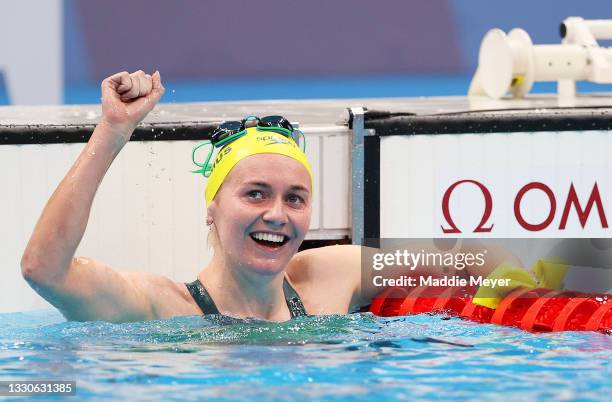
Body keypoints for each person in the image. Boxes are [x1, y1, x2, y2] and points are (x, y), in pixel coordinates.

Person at [21, 71, 517, 323]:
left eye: (295, 199)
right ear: (212, 208)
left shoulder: (333, 276)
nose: (276, 215)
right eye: (255, 194)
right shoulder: (164, 308)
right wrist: (113, 129)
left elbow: (474, 263)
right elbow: (44, 269)